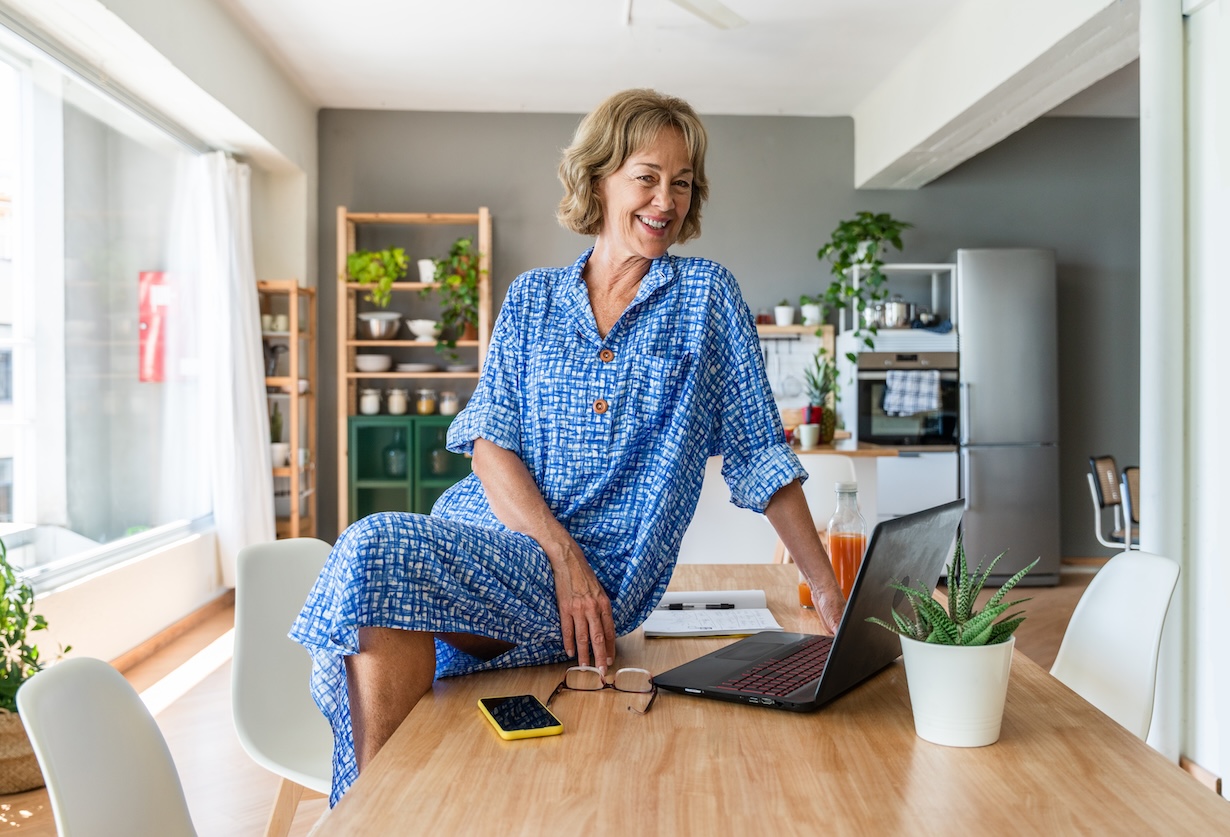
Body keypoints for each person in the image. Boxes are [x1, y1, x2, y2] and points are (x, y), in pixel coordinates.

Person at [291, 88, 845, 806]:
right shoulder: (533, 298)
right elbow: (489, 445)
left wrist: (826, 587)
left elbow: (760, 452)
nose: (666, 201)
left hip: (604, 575)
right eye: (647, 177)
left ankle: (370, 817)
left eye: (682, 183)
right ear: (599, 179)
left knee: (374, 548)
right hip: (499, 540)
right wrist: (562, 556)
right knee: (386, 593)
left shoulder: (706, 298)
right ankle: (380, 813)